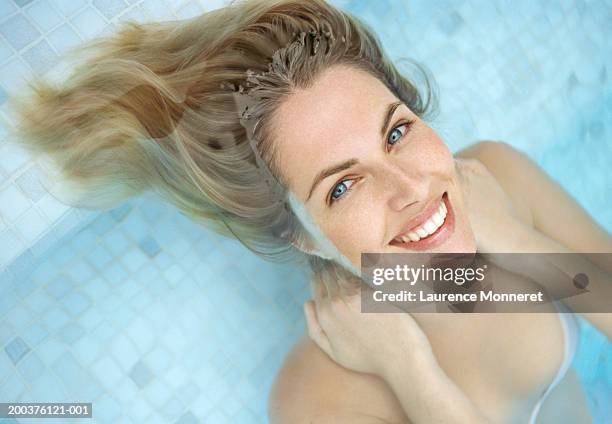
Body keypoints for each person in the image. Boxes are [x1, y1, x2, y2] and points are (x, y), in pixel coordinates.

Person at [7, 0, 610, 422]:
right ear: (303, 236)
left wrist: (517, 241)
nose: (411, 189)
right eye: (342, 187)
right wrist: (409, 370)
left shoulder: (496, 180)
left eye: (396, 132)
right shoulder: (317, 398)